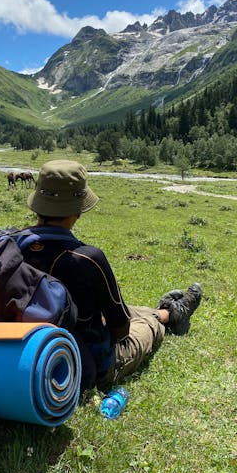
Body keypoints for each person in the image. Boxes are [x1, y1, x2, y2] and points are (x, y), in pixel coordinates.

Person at [20, 159, 202, 391]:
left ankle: (167, 310)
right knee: (144, 325)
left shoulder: (10, 246)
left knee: (134, 309)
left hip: (27, 351)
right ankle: (171, 315)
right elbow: (121, 329)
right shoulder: (87, 258)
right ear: (78, 210)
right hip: (86, 363)